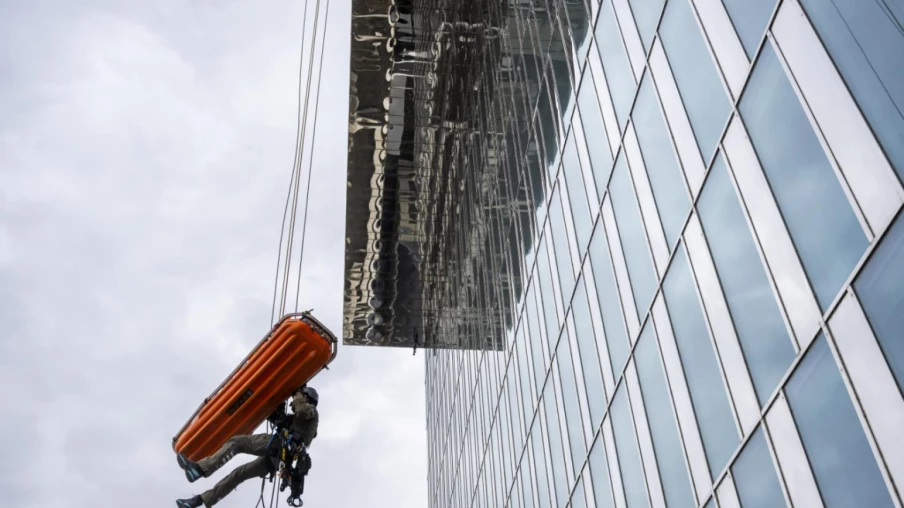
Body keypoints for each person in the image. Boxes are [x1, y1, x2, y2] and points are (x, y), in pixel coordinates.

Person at [175, 385, 319, 508]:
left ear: (307, 398)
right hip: (277, 459)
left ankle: (200, 469)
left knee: (237, 443)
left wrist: (298, 394)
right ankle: (199, 500)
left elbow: (301, 410)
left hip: (280, 446)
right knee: (239, 474)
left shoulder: (312, 412)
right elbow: (279, 419)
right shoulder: (297, 421)